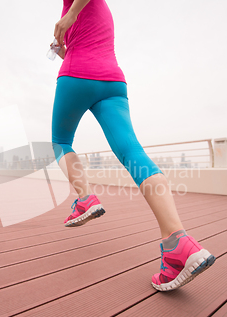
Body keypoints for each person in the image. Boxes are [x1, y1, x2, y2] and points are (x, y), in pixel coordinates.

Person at [51, 0, 215, 291]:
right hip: (112, 80)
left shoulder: (74, 7)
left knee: (61, 141)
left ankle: (86, 198)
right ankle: (178, 243)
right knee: (133, 152)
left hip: (77, 75)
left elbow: (77, 40)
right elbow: (80, 44)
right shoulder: (99, 11)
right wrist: (63, 48)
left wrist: (69, 16)